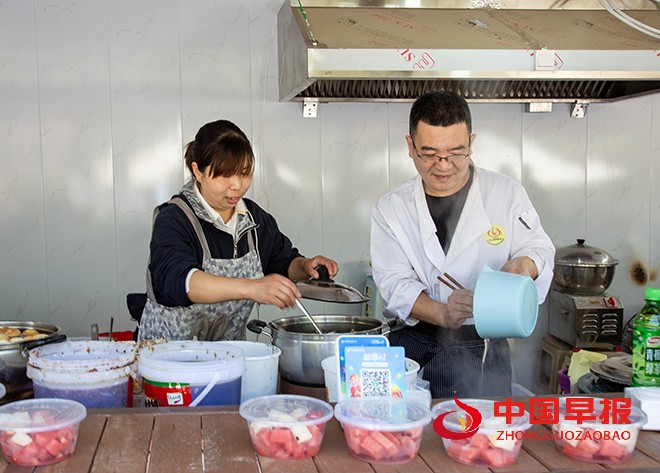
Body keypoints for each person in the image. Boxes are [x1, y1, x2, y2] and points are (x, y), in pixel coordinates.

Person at [370, 91, 555, 398]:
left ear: (471, 143)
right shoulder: (391, 208)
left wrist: (522, 266)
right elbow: (394, 283)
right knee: (415, 424)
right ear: (410, 147)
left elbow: (539, 249)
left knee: (488, 425)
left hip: (485, 345)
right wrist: (443, 313)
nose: (443, 166)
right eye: (429, 154)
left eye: (456, 153)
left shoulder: (505, 193)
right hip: (417, 343)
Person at [138, 119, 338, 342]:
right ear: (198, 171)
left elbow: (282, 262)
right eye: (225, 175)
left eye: (244, 173)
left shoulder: (253, 218)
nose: (237, 186)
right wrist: (251, 288)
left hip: (230, 354)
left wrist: (305, 266)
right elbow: (181, 281)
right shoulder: (174, 218)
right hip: (167, 354)